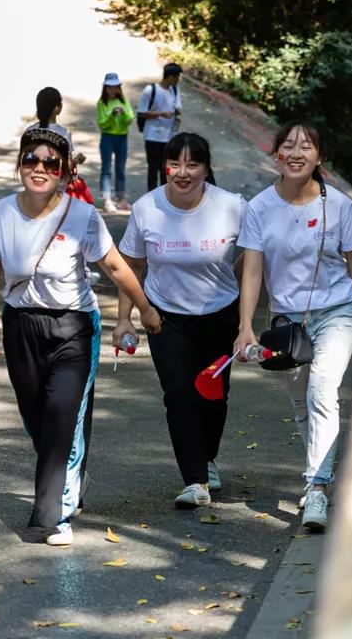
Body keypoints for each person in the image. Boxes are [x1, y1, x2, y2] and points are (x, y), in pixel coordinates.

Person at [0, 125, 161, 547]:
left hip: (74, 326)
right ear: (19, 164)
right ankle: (72, 473)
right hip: (22, 324)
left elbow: (113, 267)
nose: (39, 168)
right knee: (36, 417)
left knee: (61, 414)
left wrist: (144, 308)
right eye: (30, 160)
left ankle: (50, 517)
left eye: (50, 162)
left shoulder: (81, 216)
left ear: (65, 171)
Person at [233, 121, 352, 531]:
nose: (297, 152)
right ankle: (321, 469)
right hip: (287, 322)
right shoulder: (260, 207)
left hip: (337, 311)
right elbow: (251, 271)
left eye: (307, 146)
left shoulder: (338, 206)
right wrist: (246, 326)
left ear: (319, 157)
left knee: (322, 389)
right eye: (288, 146)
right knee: (301, 403)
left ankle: (315, 487)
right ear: (277, 154)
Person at [115, 133, 247, 509]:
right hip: (165, 316)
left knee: (214, 395)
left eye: (193, 165)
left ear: (207, 169)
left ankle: (206, 457)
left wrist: (245, 307)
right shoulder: (146, 209)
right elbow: (132, 266)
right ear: (165, 166)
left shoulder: (232, 206)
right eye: (175, 164)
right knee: (179, 394)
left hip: (221, 313)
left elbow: (257, 256)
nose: (183, 173)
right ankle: (195, 480)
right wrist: (126, 317)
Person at [137, 63, 183, 191]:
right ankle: (151, 195)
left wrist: (177, 111)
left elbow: (178, 107)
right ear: (170, 77)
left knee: (166, 169)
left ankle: (165, 196)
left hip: (168, 136)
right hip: (152, 136)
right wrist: (160, 114)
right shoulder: (150, 90)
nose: (178, 80)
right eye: (177, 77)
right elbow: (141, 112)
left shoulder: (174, 90)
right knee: (153, 167)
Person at [96, 73, 135, 214]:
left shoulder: (124, 102)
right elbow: (102, 124)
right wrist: (112, 115)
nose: (113, 90)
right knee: (106, 170)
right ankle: (107, 199)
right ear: (105, 88)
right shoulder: (101, 104)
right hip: (107, 137)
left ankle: (120, 198)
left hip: (122, 138)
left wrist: (123, 113)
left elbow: (130, 120)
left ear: (119, 88)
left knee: (120, 169)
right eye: (110, 87)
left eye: (115, 87)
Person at [27, 87, 74, 157]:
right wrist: (76, 161)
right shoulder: (64, 134)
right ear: (57, 108)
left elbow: (25, 161)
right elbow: (67, 165)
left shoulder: (29, 131)